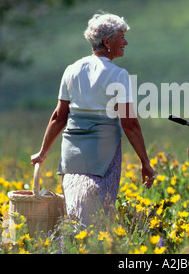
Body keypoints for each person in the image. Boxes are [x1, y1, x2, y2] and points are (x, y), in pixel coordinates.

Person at [31, 12, 155, 227]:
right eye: (121, 37)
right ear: (107, 42)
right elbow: (130, 124)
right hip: (104, 150)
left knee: (75, 207)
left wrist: (43, 153)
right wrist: (145, 162)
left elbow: (60, 116)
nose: (126, 42)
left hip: (72, 150)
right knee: (99, 213)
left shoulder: (72, 70)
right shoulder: (118, 75)